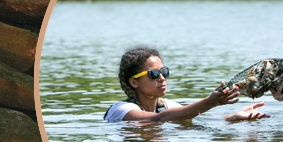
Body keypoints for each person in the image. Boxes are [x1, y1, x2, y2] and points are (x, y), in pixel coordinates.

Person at [104, 46, 256, 123]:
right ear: (134, 82)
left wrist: (234, 117)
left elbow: (193, 116)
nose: (162, 78)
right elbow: (157, 119)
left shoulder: (166, 106)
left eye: (164, 71)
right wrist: (211, 102)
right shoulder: (122, 110)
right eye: (154, 74)